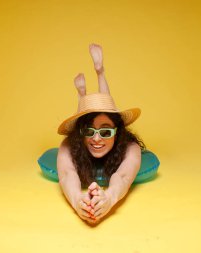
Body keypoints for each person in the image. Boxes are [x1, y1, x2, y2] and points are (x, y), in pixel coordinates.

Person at [57, 44, 145, 224]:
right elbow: (66, 173)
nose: (96, 139)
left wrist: (109, 198)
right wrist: (77, 200)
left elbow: (123, 176)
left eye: (105, 131)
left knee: (104, 108)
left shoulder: (131, 147)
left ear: (117, 131)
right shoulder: (68, 145)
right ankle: (82, 93)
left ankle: (100, 72)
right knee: (94, 111)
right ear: (80, 133)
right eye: (89, 131)